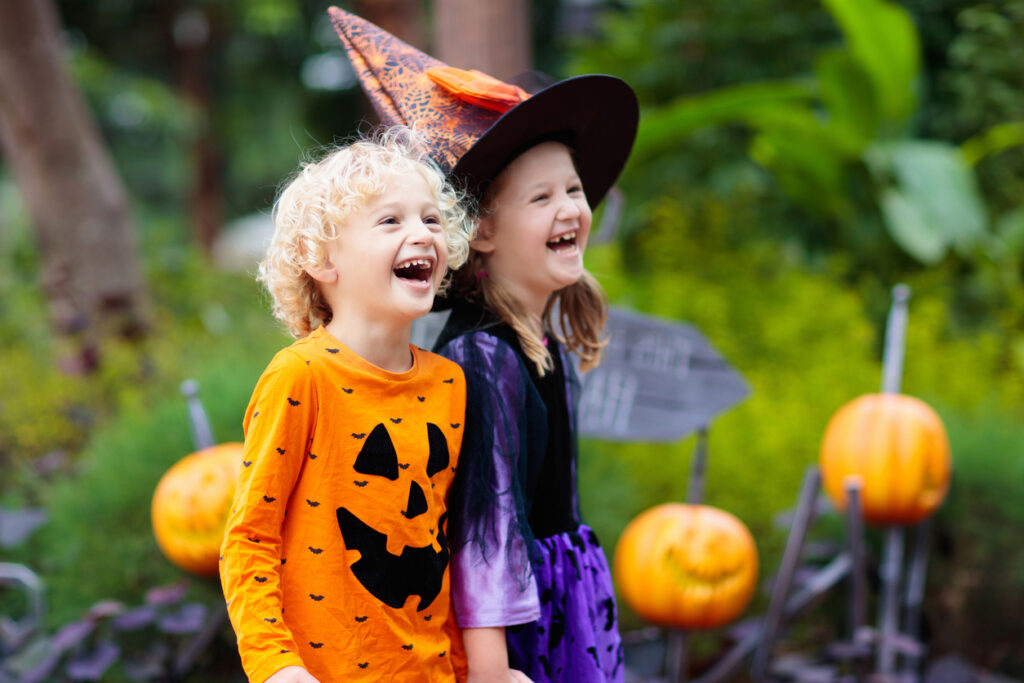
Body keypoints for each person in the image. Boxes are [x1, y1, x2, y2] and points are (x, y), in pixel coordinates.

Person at [329, 8, 639, 682]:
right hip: (518, 629)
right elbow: (482, 527)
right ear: (485, 234)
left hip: (565, 604)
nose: (570, 210)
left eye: (575, 190)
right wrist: (493, 671)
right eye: (541, 198)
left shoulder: (539, 344)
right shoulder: (484, 357)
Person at [219, 130, 473, 683]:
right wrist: (275, 666)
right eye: (391, 221)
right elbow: (250, 538)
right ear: (321, 259)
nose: (422, 235)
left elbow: (436, 544)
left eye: (431, 220)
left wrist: (466, 667)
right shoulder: (302, 376)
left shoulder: (450, 384)